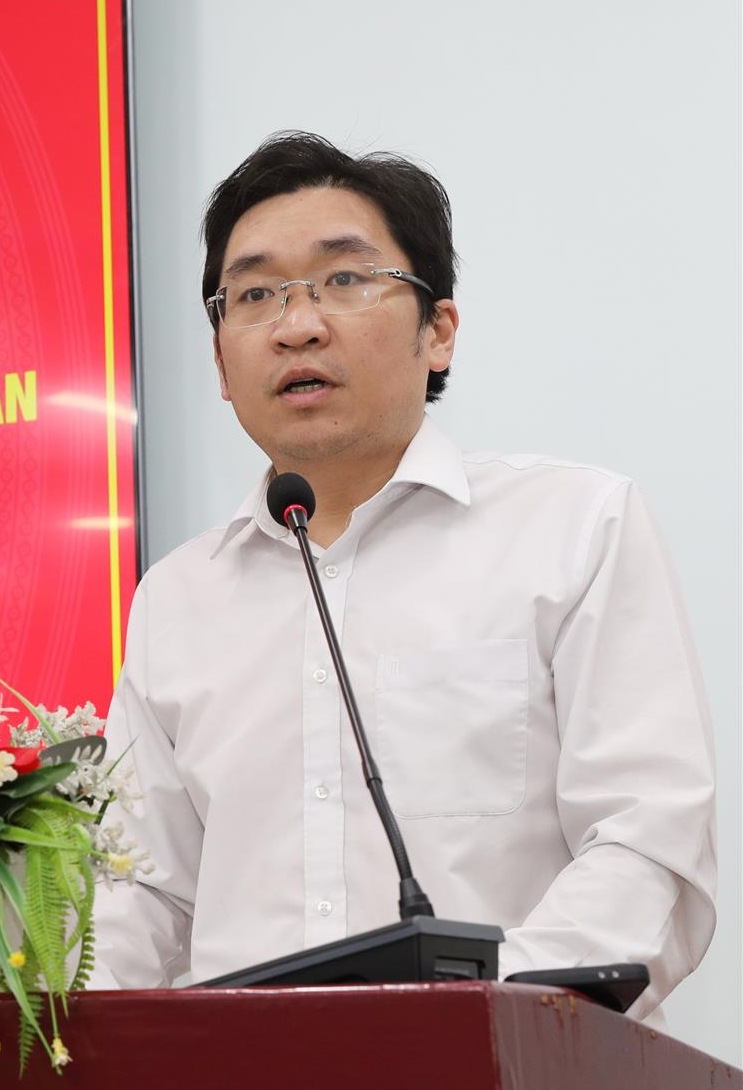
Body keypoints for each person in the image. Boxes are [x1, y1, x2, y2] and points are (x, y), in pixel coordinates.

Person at [90, 132, 716, 1023]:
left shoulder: (576, 527)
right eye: (256, 294)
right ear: (222, 363)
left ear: (439, 331)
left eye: (344, 279)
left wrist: (472, 1017)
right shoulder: (176, 599)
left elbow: (647, 842)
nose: (297, 324)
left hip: (512, 1084)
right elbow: (138, 893)